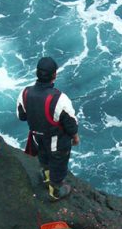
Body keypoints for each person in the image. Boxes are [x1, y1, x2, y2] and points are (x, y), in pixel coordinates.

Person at [17, 57, 80, 201]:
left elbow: (22, 116)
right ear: (54, 75)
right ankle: (55, 191)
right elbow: (70, 124)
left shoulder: (24, 93)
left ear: (37, 73)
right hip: (56, 142)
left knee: (43, 157)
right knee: (58, 164)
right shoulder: (60, 99)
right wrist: (75, 137)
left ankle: (45, 177)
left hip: (36, 137)